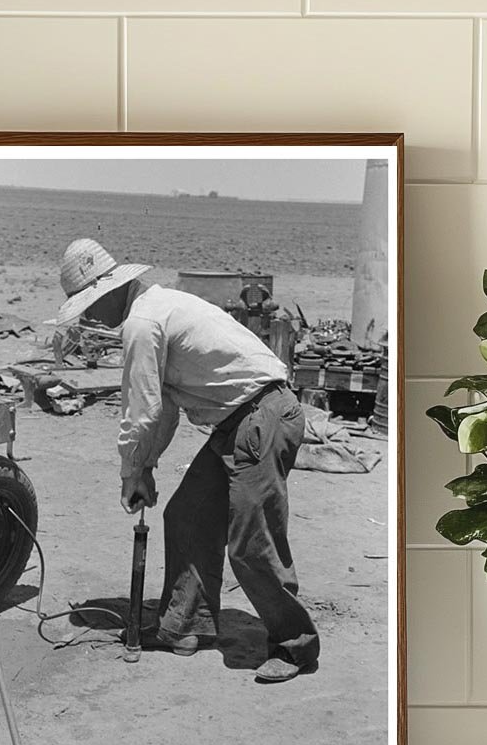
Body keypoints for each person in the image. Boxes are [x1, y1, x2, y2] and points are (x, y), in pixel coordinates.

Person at [52, 238, 319, 683]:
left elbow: (142, 411)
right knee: (188, 515)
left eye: (91, 303)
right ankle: (185, 627)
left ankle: (295, 647)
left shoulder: (142, 322)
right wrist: (147, 467)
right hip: (240, 420)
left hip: (262, 417)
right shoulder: (157, 307)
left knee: (251, 542)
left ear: (113, 289)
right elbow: (166, 409)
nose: (90, 315)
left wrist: (130, 473)